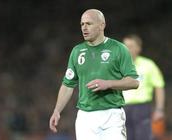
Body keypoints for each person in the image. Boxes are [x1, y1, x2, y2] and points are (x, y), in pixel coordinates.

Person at [49, 9, 139, 140]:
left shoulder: (119, 49)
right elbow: (68, 85)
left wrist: (108, 84)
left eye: (89, 24)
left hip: (112, 115)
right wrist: (57, 110)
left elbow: (134, 82)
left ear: (102, 25)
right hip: (86, 118)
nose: (84, 28)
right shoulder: (77, 51)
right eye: (82, 24)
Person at [122, 34, 165, 140]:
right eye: (125, 46)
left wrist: (159, 109)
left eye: (131, 46)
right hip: (122, 108)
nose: (127, 49)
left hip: (142, 108)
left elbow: (159, 86)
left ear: (139, 48)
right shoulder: (118, 65)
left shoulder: (148, 65)